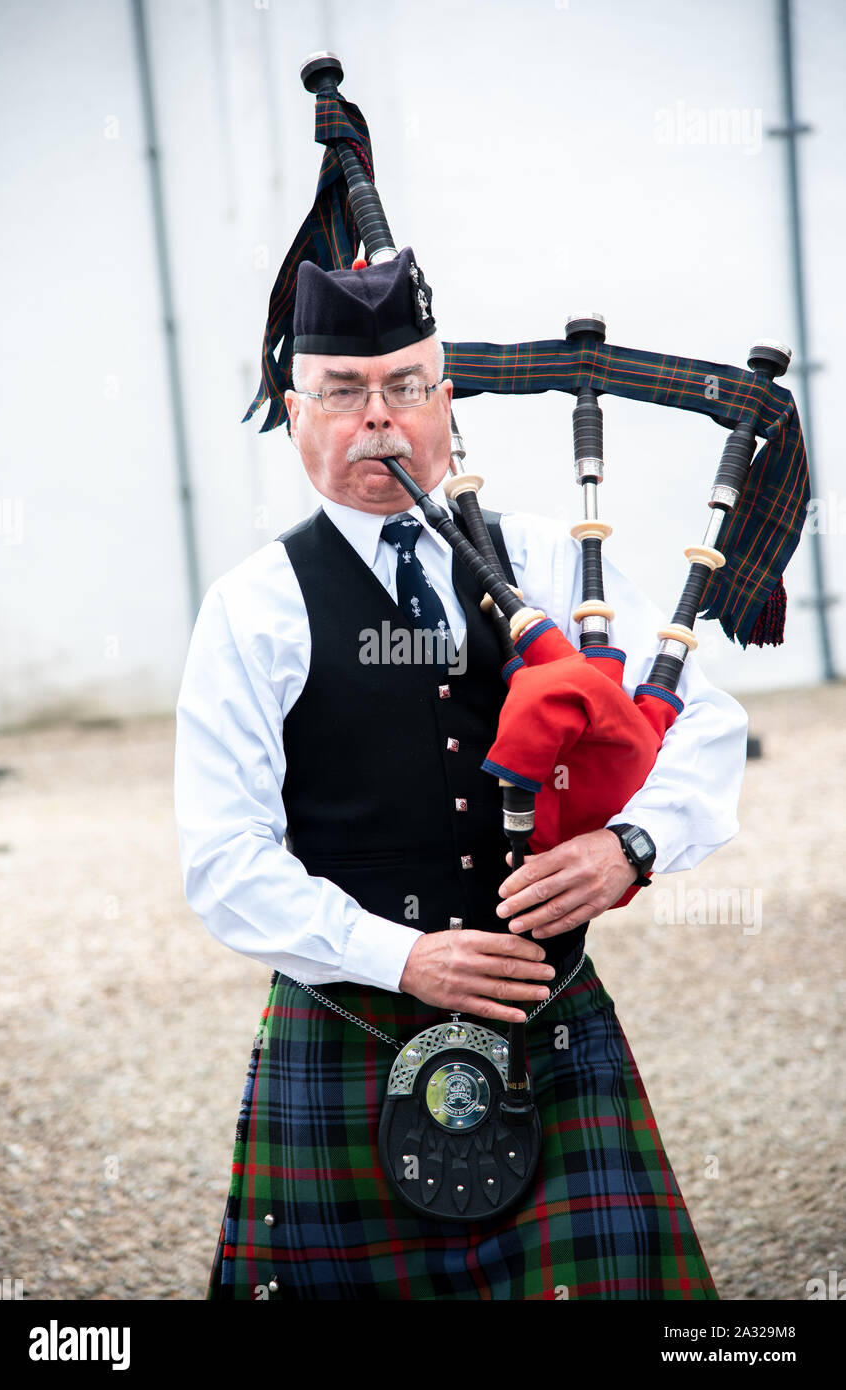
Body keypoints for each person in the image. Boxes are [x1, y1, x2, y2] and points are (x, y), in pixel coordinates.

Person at [174, 248, 748, 1300]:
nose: (378, 419)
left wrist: (631, 845)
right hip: (349, 1028)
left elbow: (699, 721)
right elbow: (223, 861)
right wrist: (400, 956)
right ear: (297, 414)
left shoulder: (545, 557)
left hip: (548, 1019)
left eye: (406, 386)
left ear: (449, 403)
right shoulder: (252, 609)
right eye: (344, 392)